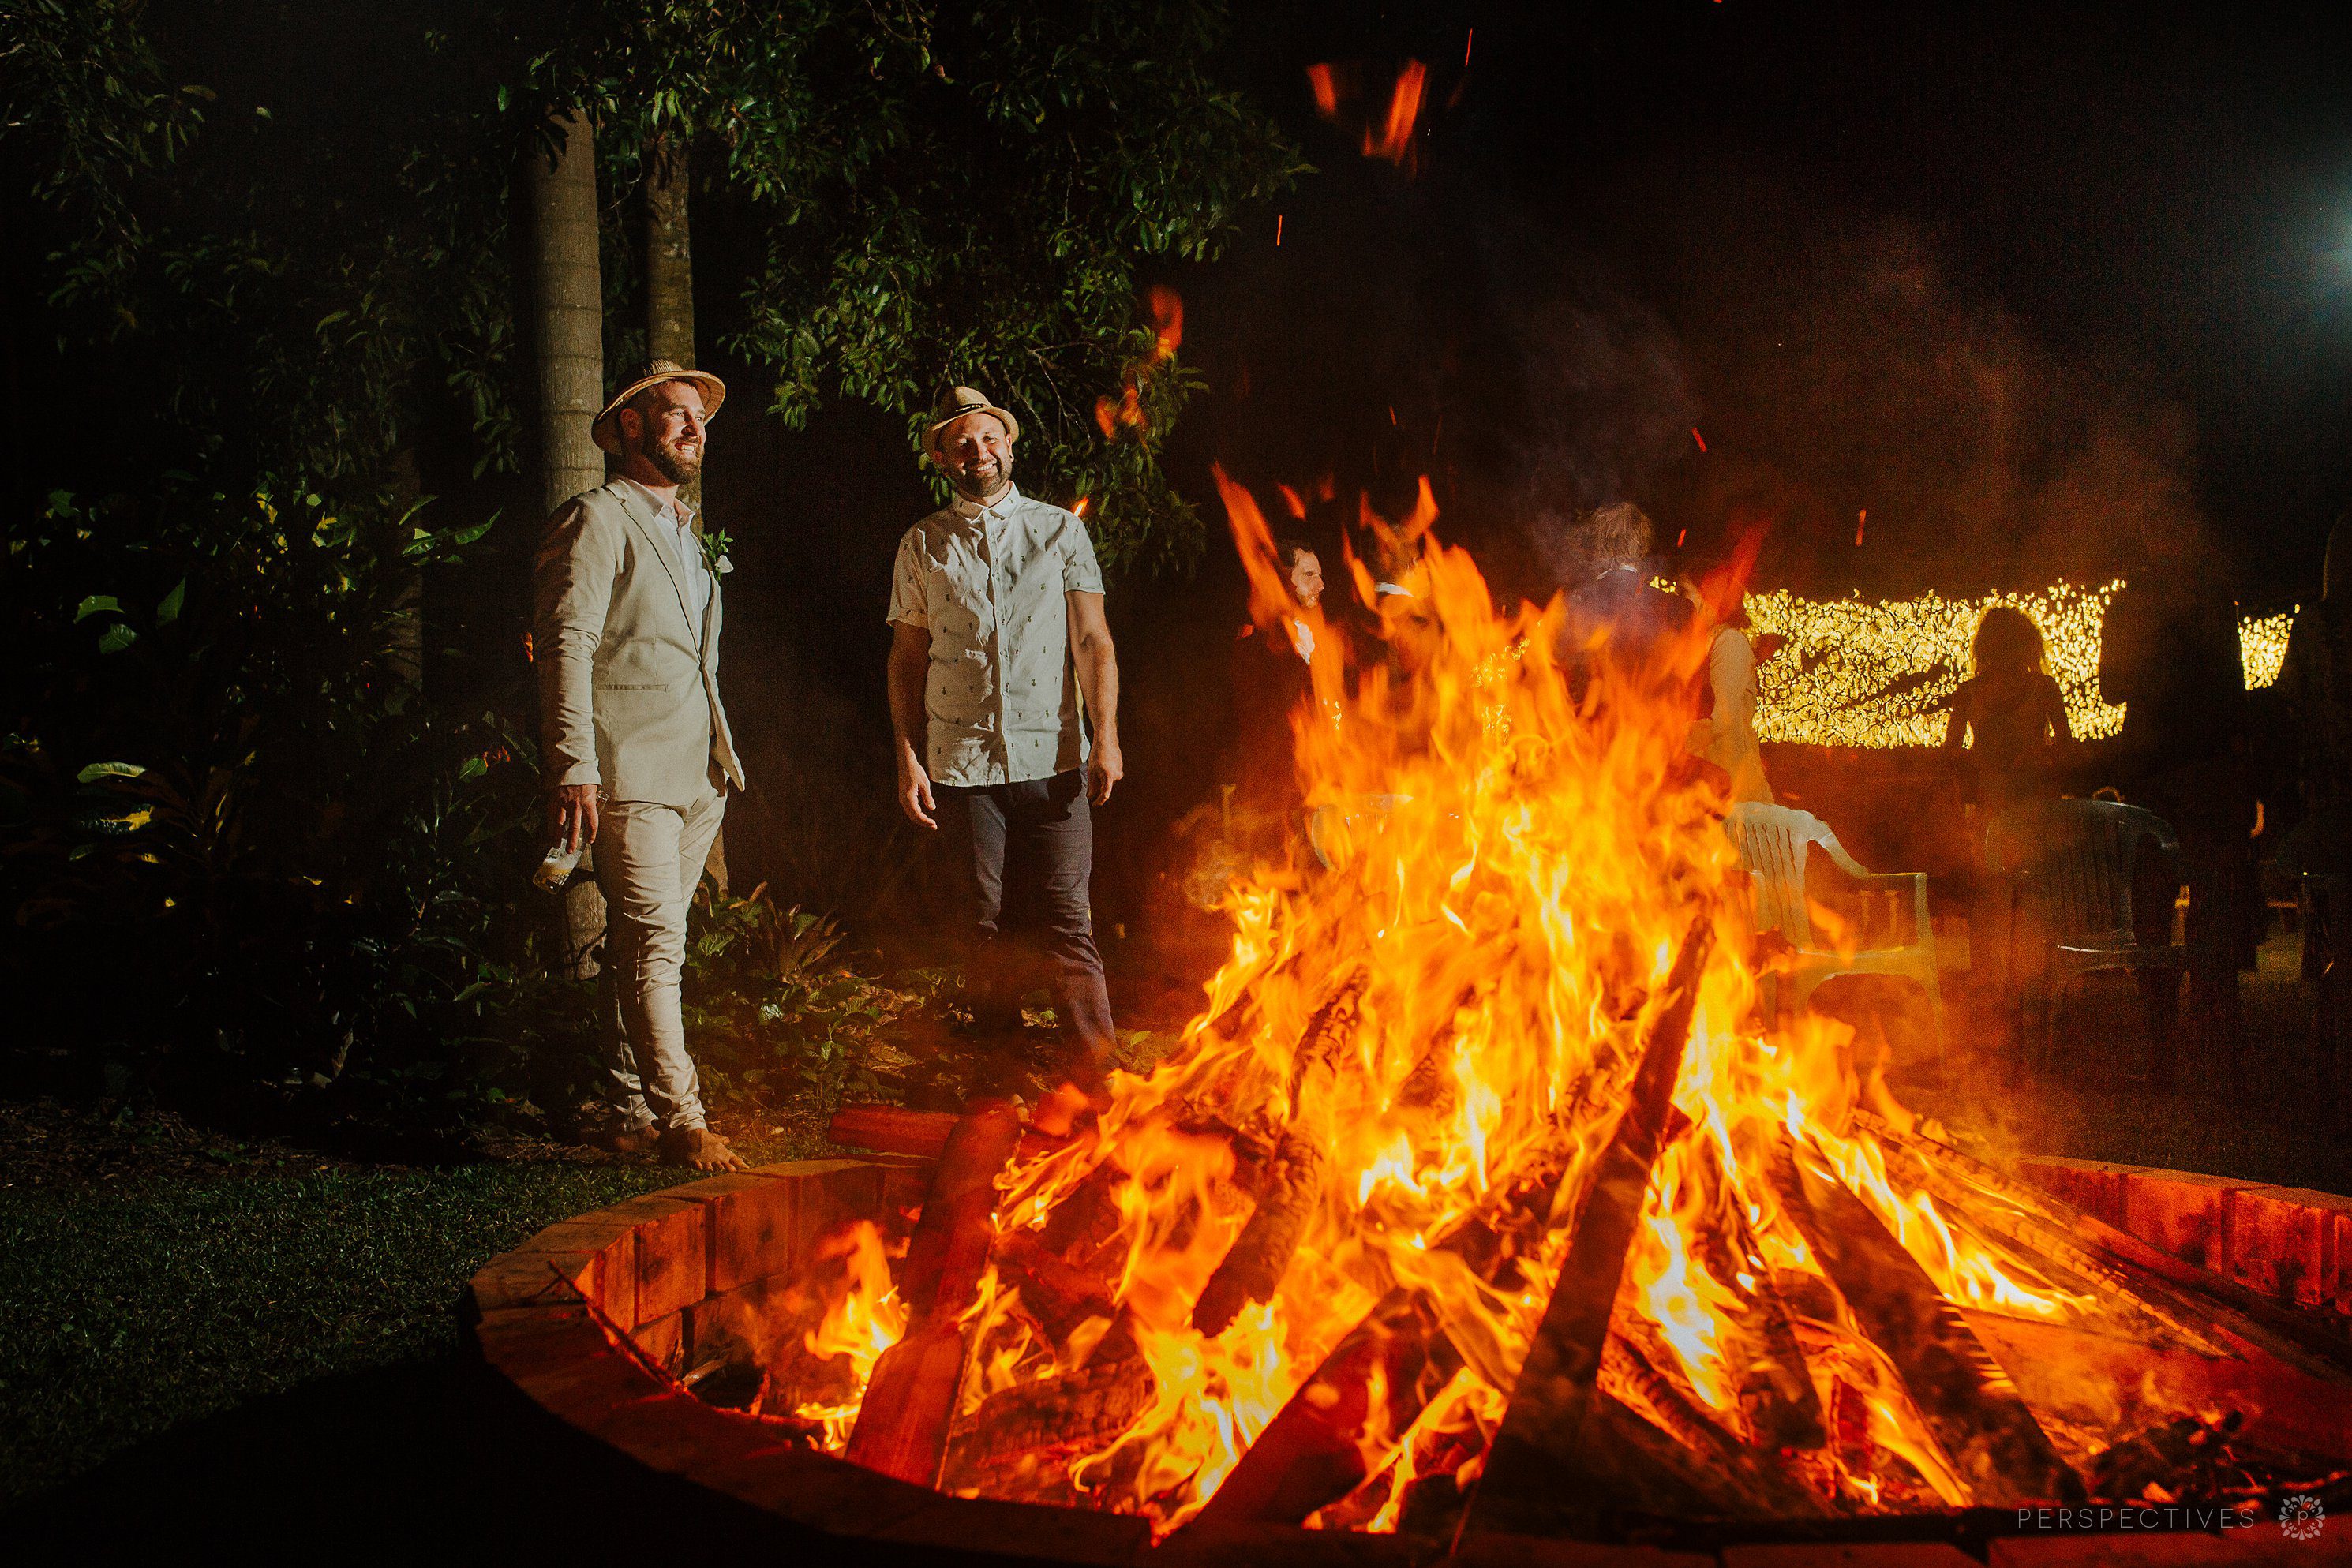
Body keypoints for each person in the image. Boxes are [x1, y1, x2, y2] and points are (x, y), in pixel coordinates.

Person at [888, 387, 1123, 1132]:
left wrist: (1107, 733)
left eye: (988, 438)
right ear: (942, 458)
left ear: (1010, 447)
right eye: (961, 443)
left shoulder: (1058, 532)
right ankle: (998, 1084)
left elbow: (1093, 640)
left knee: (1067, 921)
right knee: (981, 926)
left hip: (1055, 761)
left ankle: (1100, 1080)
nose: (977, 452)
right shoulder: (923, 543)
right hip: (961, 767)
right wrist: (906, 755)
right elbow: (906, 658)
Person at [536, 357, 748, 1170]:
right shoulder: (594, 518)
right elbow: (566, 643)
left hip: (699, 772)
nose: (695, 429)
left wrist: (716, 761)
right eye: (676, 415)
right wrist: (573, 765)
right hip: (625, 768)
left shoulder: (684, 530)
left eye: (701, 418)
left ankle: (627, 1107)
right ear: (631, 425)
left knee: (644, 944)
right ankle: (683, 1120)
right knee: (656, 944)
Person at [2099, 534, 2254, 1087]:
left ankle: (2162, 1042)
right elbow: (2235, 695)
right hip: (2205, 773)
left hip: (2155, 773)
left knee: (2152, 912)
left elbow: (2110, 688)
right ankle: (2215, 1039)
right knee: (2207, 908)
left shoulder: (2131, 602)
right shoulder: (2212, 601)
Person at [1943, 606, 2072, 824]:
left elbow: (1951, 755)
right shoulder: (2045, 688)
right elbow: (2066, 748)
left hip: (2003, 801)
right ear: (2028, 644)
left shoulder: (1968, 693)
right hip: (2030, 800)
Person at [1553, 501, 1691, 701]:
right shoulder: (1678, 608)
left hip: (1589, 728)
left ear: (1599, 547)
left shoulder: (1573, 604)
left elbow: (1553, 678)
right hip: (1660, 727)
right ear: (1642, 547)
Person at [1230, 538, 1326, 812]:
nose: (1320, 585)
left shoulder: (1325, 642)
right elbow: (1261, 732)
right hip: (1277, 800)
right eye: (1309, 576)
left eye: (1319, 575)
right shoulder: (1256, 650)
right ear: (1281, 582)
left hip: (1323, 788)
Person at [1680, 567, 1775, 804]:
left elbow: (1723, 718)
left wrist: (1673, 743)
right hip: (1705, 778)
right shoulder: (1697, 645)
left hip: (1731, 778)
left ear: (1710, 597)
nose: (1681, 601)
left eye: (1686, 593)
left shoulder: (1730, 643)